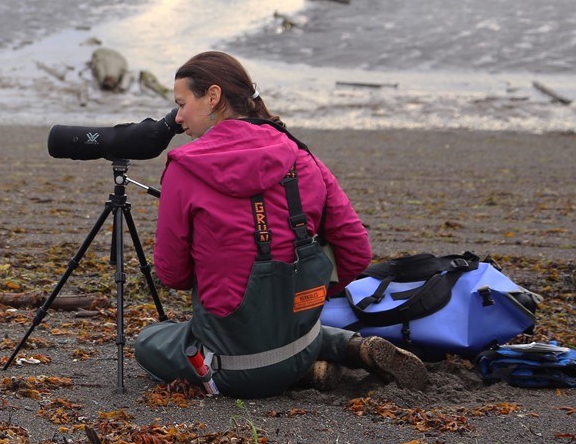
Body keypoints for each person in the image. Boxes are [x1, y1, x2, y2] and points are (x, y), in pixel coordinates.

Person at [134, 50, 427, 397]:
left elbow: (172, 274)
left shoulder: (184, 169)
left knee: (149, 341)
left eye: (182, 104)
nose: (178, 117)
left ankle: (309, 367)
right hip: (298, 340)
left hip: (230, 367)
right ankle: (348, 349)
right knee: (291, 326)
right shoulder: (301, 155)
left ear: (213, 97)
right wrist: (308, 295)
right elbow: (356, 249)